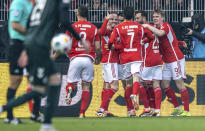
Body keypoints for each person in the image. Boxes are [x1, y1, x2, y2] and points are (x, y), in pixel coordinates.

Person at [0, 0, 87, 131]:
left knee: (47, 84)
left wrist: (26, 50)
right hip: (39, 46)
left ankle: (43, 122)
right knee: (44, 86)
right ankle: (8, 110)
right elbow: (64, 21)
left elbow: (32, 26)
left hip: (32, 44)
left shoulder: (40, 4)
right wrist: (80, 40)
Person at [143, 9, 191, 116]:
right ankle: (177, 108)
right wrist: (178, 42)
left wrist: (147, 26)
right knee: (164, 84)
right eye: (154, 16)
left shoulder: (166, 26)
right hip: (167, 61)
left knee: (179, 84)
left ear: (162, 17)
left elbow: (161, 34)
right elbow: (167, 40)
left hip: (175, 59)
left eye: (157, 16)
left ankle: (187, 111)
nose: (155, 18)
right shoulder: (155, 28)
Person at [108, 6, 154, 112]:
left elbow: (111, 41)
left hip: (124, 58)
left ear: (123, 16)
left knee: (128, 83)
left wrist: (111, 47)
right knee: (136, 78)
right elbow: (151, 37)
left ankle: (130, 110)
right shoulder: (139, 26)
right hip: (136, 56)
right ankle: (134, 95)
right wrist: (144, 41)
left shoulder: (118, 27)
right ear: (133, 15)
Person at [65, 6, 101, 118]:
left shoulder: (72, 27)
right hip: (88, 59)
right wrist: (98, 58)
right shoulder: (94, 28)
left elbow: (65, 44)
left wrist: (69, 55)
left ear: (77, 14)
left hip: (75, 58)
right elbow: (98, 48)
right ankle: (82, 113)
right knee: (86, 85)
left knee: (71, 82)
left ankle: (70, 89)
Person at [4, 0, 34, 124]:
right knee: (15, 80)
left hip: (26, 45)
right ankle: (9, 116)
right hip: (17, 44)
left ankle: (34, 113)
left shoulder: (30, 4)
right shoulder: (18, 3)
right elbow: (15, 25)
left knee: (25, 79)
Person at [135, 10, 163, 117]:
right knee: (156, 84)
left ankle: (147, 109)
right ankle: (157, 111)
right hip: (157, 58)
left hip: (148, 59)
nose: (136, 20)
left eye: (138, 18)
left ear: (144, 18)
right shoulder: (154, 28)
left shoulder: (143, 28)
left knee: (140, 83)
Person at [96, 12, 119, 117]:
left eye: (115, 19)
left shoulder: (116, 30)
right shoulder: (108, 30)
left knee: (106, 86)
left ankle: (104, 110)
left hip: (107, 62)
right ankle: (102, 109)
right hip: (111, 61)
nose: (113, 21)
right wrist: (106, 19)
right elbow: (102, 32)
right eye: (111, 19)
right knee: (115, 87)